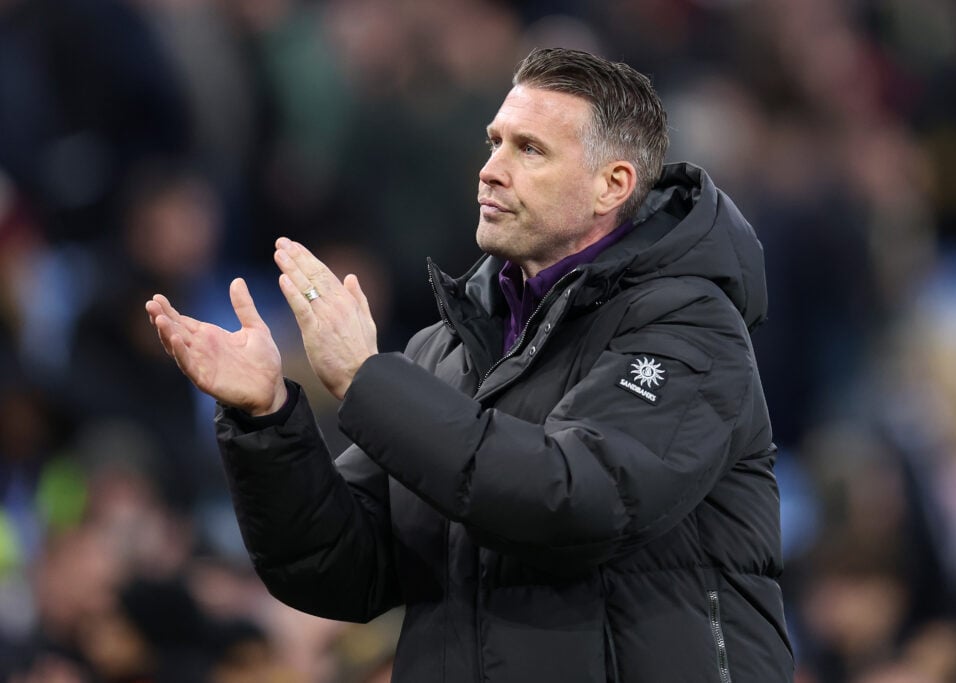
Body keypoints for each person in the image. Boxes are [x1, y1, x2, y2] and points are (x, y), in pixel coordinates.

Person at [146, 47, 794, 682]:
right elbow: (338, 566)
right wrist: (268, 419)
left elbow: (574, 498)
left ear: (612, 184)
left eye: (529, 149)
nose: (490, 169)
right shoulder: (445, 351)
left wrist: (366, 380)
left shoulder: (690, 326)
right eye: (494, 141)